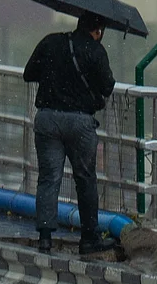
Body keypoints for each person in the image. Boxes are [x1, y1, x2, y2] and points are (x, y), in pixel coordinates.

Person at [23, 13, 117, 256]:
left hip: (48, 119)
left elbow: (28, 73)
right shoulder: (96, 51)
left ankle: (45, 238)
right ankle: (89, 238)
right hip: (80, 123)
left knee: (49, 178)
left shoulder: (50, 41)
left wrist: (54, 75)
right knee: (85, 179)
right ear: (98, 30)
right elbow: (107, 86)